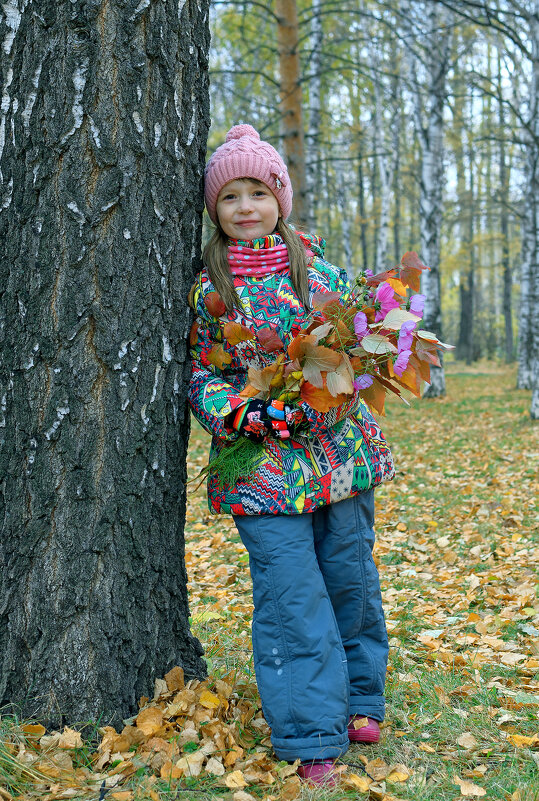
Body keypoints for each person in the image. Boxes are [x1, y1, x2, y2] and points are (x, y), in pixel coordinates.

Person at [187, 124, 395, 785]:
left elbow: (359, 352)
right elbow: (199, 373)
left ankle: (361, 698)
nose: (245, 206)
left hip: (336, 456)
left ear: (280, 197)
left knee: (349, 579)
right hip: (259, 469)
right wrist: (244, 410)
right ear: (214, 209)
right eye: (230, 197)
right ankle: (311, 734)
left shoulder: (323, 274)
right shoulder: (208, 291)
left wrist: (324, 393)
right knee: (289, 594)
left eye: (258, 191)